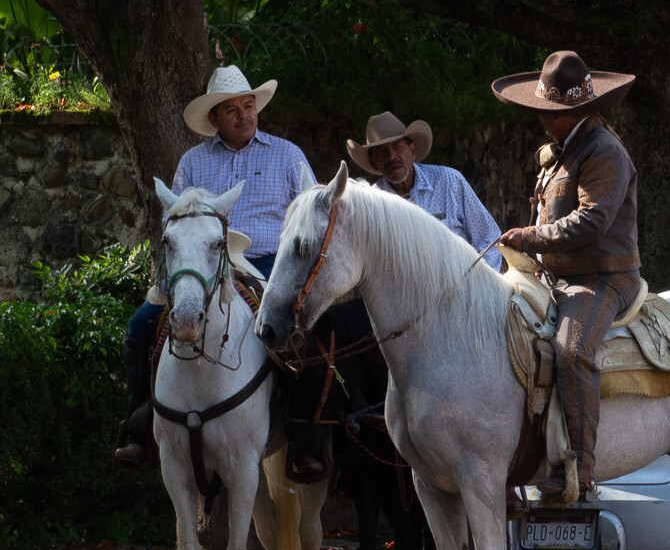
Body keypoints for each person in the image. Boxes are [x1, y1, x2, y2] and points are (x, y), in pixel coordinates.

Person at [113, 65, 315, 471]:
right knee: (140, 327)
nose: (244, 115)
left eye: (249, 105)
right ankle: (138, 426)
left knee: (306, 334)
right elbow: (172, 224)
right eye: (232, 110)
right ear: (214, 118)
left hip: (269, 264)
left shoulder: (288, 155)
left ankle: (304, 436)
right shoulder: (192, 162)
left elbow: (312, 215)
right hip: (203, 264)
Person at [490, 50, 641, 505]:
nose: (539, 116)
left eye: (545, 110)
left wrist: (530, 237)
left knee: (572, 351)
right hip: (554, 277)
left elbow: (591, 221)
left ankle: (578, 468)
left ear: (569, 113)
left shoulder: (605, 151)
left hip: (602, 279)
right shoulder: (560, 152)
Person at [346, 110, 504, 269]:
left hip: (464, 281)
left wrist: (478, 279)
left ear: (412, 151)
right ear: (374, 163)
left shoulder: (449, 181)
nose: (391, 156)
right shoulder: (372, 206)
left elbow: (490, 237)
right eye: (381, 152)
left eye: (397, 147)